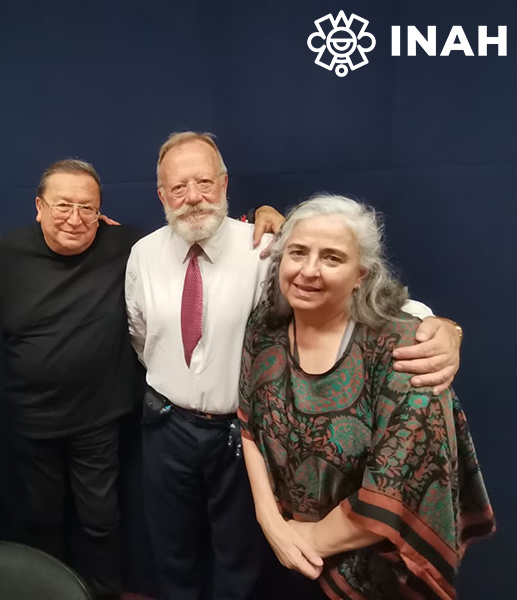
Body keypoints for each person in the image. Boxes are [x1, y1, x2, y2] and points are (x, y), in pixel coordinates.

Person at [124, 132, 465, 600]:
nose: (193, 197)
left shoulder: (268, 246)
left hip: (240, 437)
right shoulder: (143, 254)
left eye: (204, 182)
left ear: (224, 184)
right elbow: (140, 333)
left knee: (240, 560)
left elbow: (349, 293)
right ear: (162, 195)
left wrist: (441, 326)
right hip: (167, 427)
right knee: (171, 550)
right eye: (178, 187)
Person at [237, 194, 494, 599]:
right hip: (287, 549)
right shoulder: (264, 329)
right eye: (298, 253)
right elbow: (249, 424)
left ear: (361, 274)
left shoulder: (407, 353)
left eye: (332, 258)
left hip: (376, 570)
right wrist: (270, 522)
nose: (308, 270)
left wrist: (309, 540)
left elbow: (397, 488)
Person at [0, 159, 142, 597]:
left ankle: (103, 593)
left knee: (101, 520)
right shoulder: (2, 255)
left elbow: (191, 236)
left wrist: (266, 214)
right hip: (31, 421)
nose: (75, 218)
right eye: (63, 205)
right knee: (40, 520)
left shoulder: (126, 244)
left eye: (87, 208)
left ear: (100, 212)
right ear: (38, 207)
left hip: (99, 418)